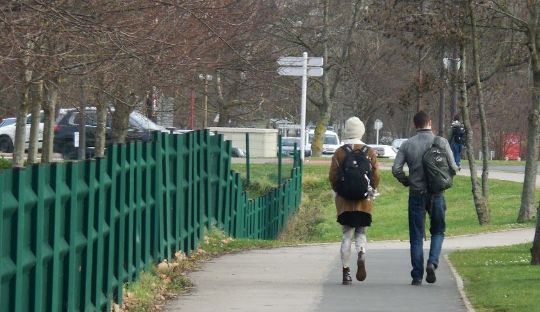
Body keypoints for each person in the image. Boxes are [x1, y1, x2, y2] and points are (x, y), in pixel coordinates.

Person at [391, 111, 458, 286]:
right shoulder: (441, 142)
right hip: (436, 194)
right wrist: (445, 179)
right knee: (438, 231)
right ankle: (433, 262)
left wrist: (406, 181)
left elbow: (396, 169)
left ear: (415, 125)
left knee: (416, 236)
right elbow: (453, 166)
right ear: (430, 122)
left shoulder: (407, 145)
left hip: (416, 194)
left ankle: (417, 275)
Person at [329, 116, 380, 285]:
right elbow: (376, 175)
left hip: (344, 201)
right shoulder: (370, 152)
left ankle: (346, 273)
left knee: (346, 235)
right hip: (364, 201)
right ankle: (361, 252)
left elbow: (333, 176)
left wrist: (339, 191)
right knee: (361, 232)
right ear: (362, 131)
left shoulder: (339, 152)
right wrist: (371, 189)